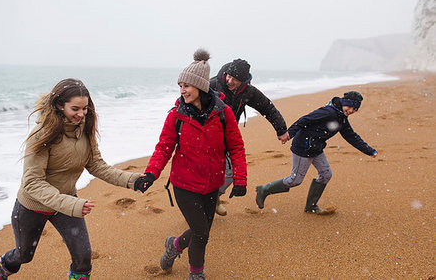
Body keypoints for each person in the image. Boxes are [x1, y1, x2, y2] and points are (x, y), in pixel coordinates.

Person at [0, 79, 144, 280]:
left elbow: (96, 165)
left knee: (83, 257)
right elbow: (32, 183)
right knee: (24, 255)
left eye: (85, 108)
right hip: (32, 206)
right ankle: (2, 267)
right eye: (75, 109)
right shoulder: (41, 134)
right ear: (59, 105)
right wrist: (71, 203)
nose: (81, 114)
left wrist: (133, 180)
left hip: (66, 203)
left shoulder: (84, 131)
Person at [135, 49, 247, 280]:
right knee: (201, 232)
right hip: (185, 185)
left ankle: (174, 245)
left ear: (201, 86)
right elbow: (164, 147)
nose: (182, 90)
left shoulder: (223, 113)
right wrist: (150, 174)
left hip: (212, 183)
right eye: (180, 86)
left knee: (202, 232)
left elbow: (236, 147)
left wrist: (240, 179)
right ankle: (196, 274)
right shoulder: (176, 115)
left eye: (187, 85)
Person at [256, 91, 378, 214]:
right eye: (350, 107)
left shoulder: (342, 119)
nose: (351, 110)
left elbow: (352, 137)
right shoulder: (328, 112)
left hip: (316, 148)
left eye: (354, 109)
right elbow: (305, 120)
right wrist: (289, 134)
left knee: (326, 175)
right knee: (295, 180)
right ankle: (264, 189)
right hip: (303, 147)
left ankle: (311, 206)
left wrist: (369, 151)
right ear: (344, 103)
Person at [209, 59, 288, 215]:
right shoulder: (212, 86)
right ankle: (198, 203)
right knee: (204, 172)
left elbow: (268, 107)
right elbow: (188, 104)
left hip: (227, 138)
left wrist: (281, 129)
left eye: (235, 79)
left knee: (230, 174)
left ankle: (213, 198)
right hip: (206, 137)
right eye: (229, 76)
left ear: (243, 81)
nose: (230, 81)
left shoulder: (248, 92)